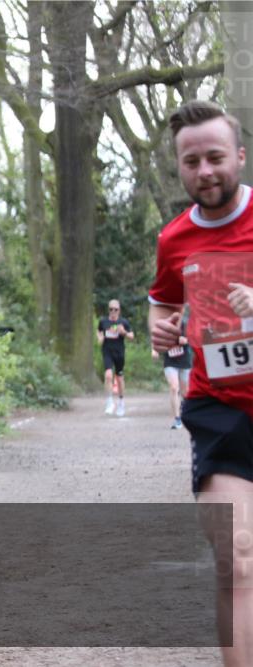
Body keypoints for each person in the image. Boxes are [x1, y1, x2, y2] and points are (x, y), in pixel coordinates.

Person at [148, 100, 253, 667]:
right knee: (236, 556)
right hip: (221, 410)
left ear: (239, 155)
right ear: (181, 167)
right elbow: (162, 304)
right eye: (192, 161)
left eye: (215, 157)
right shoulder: (174, 240)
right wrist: (161, 332)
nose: (205, 171)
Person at [96, 299, 135, 416]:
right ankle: (109, 402)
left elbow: (132, 336)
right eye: (111, 309)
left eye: (115, 309)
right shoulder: (103, 322)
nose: (113, 311)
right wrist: (100, 338)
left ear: (119, 310)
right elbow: (99, 331)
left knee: (119, 377)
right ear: (108, 310)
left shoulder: (124, 322)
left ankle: (121, 403)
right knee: (108, 375)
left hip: (119, 353)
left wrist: (124, 333)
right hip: (107, 352)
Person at [151, 339, 192, 429]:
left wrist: (185, 340)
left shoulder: (184, 325)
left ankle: (184, 405)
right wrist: (154, 350)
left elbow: (190, 337)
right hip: (170, 362)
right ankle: (177, 419)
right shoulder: (164, 328)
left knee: (185, 393)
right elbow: (156, 340)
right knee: (174, 387)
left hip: (184, 362)